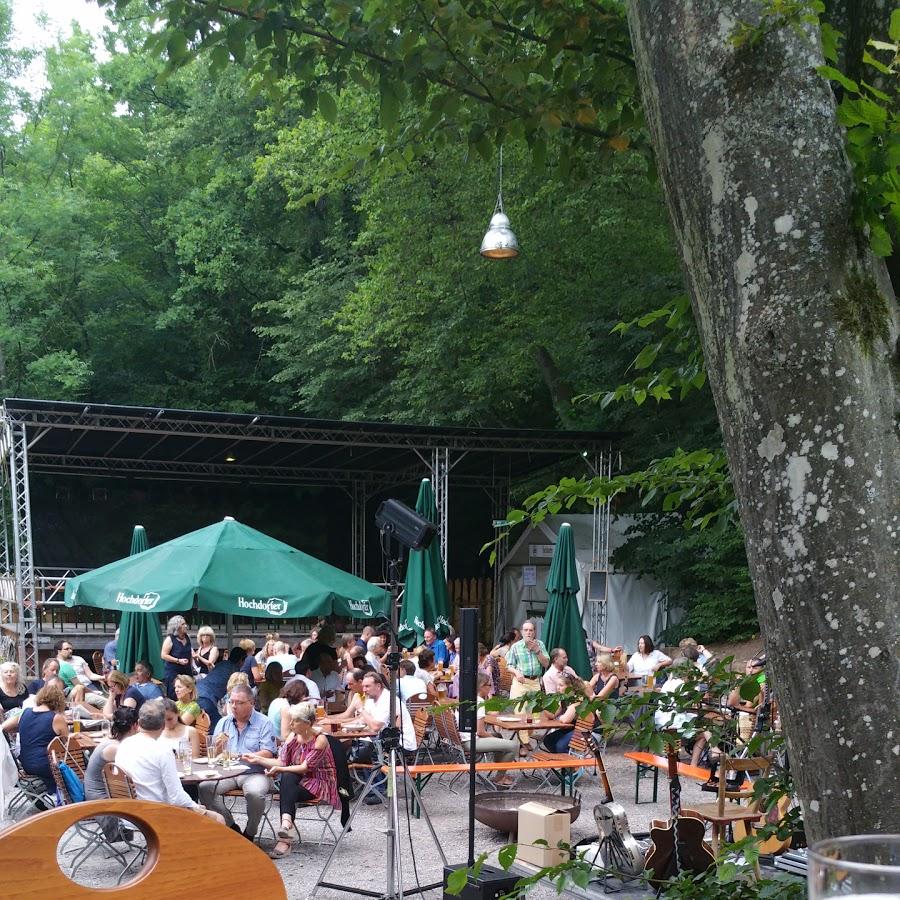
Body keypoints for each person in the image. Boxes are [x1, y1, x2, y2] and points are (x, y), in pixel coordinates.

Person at [244, 701, 341, 859]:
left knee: (287, 778)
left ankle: (285, 835)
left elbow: (304, 767)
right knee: (288, 779)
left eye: (295, 720)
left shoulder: (320, 740)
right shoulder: (292, 737)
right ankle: (286, 825)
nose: (290, 723)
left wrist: (280, 769)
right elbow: (281, 763)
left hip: (320, 783)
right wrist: (256, 759)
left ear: (307, 723)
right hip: (297, 783)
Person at [115, 699, 224, 823]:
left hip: (129, 815)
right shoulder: (162, 750)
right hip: (158, 814)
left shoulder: (124, 744)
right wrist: (197, 807)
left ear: (139, 723)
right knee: (218, 819)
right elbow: (177, 797)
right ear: (163, 725)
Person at [199, 683, 277, 841]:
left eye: (239, 703)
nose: (234, 706)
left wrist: (241, 755)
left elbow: (268, 752)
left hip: (255, 772)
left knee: (255, 793)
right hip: (228, 771)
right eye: (231, 701)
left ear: (252, 703)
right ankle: (231, 827)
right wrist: (218, 748)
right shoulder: (224, 722)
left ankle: (250, 833)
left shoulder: (264, 722)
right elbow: (215, 752)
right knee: (204, 788)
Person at [84, 706, 139, 841]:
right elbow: (133, 775)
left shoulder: (111, 743)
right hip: (102, 801)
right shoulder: (116, 748)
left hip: (95, 794)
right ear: (135, 726)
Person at [1, 683, 68, 793]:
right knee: (80, 760)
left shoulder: (25, 712)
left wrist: (25, 730)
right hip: (46, 766)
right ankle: (76, 797)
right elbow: (67, 744)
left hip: (26, 763)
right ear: (59, 701)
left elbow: (4, 728)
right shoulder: (56, 718)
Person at [458, 673, 518, 787]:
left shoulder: (465, 697)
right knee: (513, 745)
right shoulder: (479, 702)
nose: (490, 688)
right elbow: (480, 732)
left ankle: (500, 772)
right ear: (481, 686)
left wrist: (495, 737)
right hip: (470, 742)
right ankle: (500, 777)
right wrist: (493, 737)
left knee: (499, 736)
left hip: (461, 740)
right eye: (489, 685)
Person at [654, 647, 709, 766]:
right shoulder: (683, 685)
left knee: (697, 725)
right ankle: (694, 765)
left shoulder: (668, 683)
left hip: (660, 721)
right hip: (673, 723)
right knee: (704, 733)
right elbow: (683, 707)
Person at [505, 620, 549, 745]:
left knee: (534, 716)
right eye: (526, 630)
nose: (528, 632)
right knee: (521, 713)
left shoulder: (540, 644)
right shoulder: (516, 646)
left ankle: (526, 738)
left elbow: (546, 663)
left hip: (535, 682)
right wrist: (517, 673)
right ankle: (524, 743)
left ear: (534, 632)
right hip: (520, 682)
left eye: (531, 630)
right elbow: (509, 665)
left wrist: (537, 650)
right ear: (521, 632)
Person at [196, 646, 246, 729]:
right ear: (241, 659)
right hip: (207, 697)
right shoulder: (235, 671)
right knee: (220, 728)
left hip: (197, 690)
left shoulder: (222, 663)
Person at [56, 639, 106, 707]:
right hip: (75, 691)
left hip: (87, 685)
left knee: (102, 697)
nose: (70, 651)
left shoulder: (78, 659)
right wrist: (93, 692)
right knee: (105, 701)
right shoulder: (63, 665)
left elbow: (90, 674)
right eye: (67, 649)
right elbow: (78, 685)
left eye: (71, 648)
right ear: (59, 651)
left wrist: (103, 677)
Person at [161, 615, 193, 700]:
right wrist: (178, 660)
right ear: (177, 626)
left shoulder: (187, 637)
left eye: (185, 623)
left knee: (188, 693)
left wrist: (192, 667)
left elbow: (189, 654)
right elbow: (163, 655)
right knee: (174, 695)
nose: (185, 626)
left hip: (187, 671)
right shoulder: (170, 639)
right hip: (173, 672)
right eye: (183, 624)